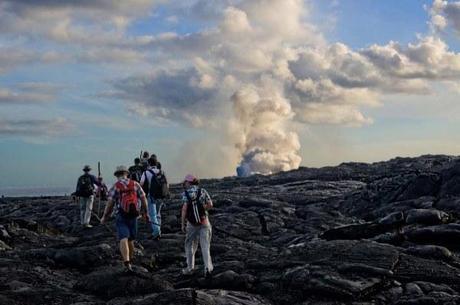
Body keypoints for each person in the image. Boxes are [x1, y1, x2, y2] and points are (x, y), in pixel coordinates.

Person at [100, 165, 149, 272]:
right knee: (131, 239)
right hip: (134, 215)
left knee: (123, 238)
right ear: (127, 174)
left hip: (121, 215)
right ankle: (130, 259)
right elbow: (143, 198)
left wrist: (104, 217)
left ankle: (127, 262)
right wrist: (146, 212)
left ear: (117, 175)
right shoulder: (135, 184)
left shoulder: (116, 186)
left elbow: (110, 204)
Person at [181, 174, 213, 278]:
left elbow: (184, 209)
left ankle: (190, 268)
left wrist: (182, 223)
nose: (184, 183)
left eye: (185, 181)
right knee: (205, 246)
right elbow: (210, 205)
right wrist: (203, 210)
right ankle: (207, 268)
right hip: (204, 222)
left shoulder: (185, 193)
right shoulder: (202, 191)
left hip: (192, 224)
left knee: (189, 244)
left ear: (189, 182)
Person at [140, 156, 168, 239]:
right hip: (161, 196)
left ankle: (156, 232)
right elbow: (167, 184)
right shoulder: (162, 172)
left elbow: (141, 183)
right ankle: (158, 230)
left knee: (152, 214)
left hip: (151, 195)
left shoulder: (146, 172)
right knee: (158, 214)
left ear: (149, 163)